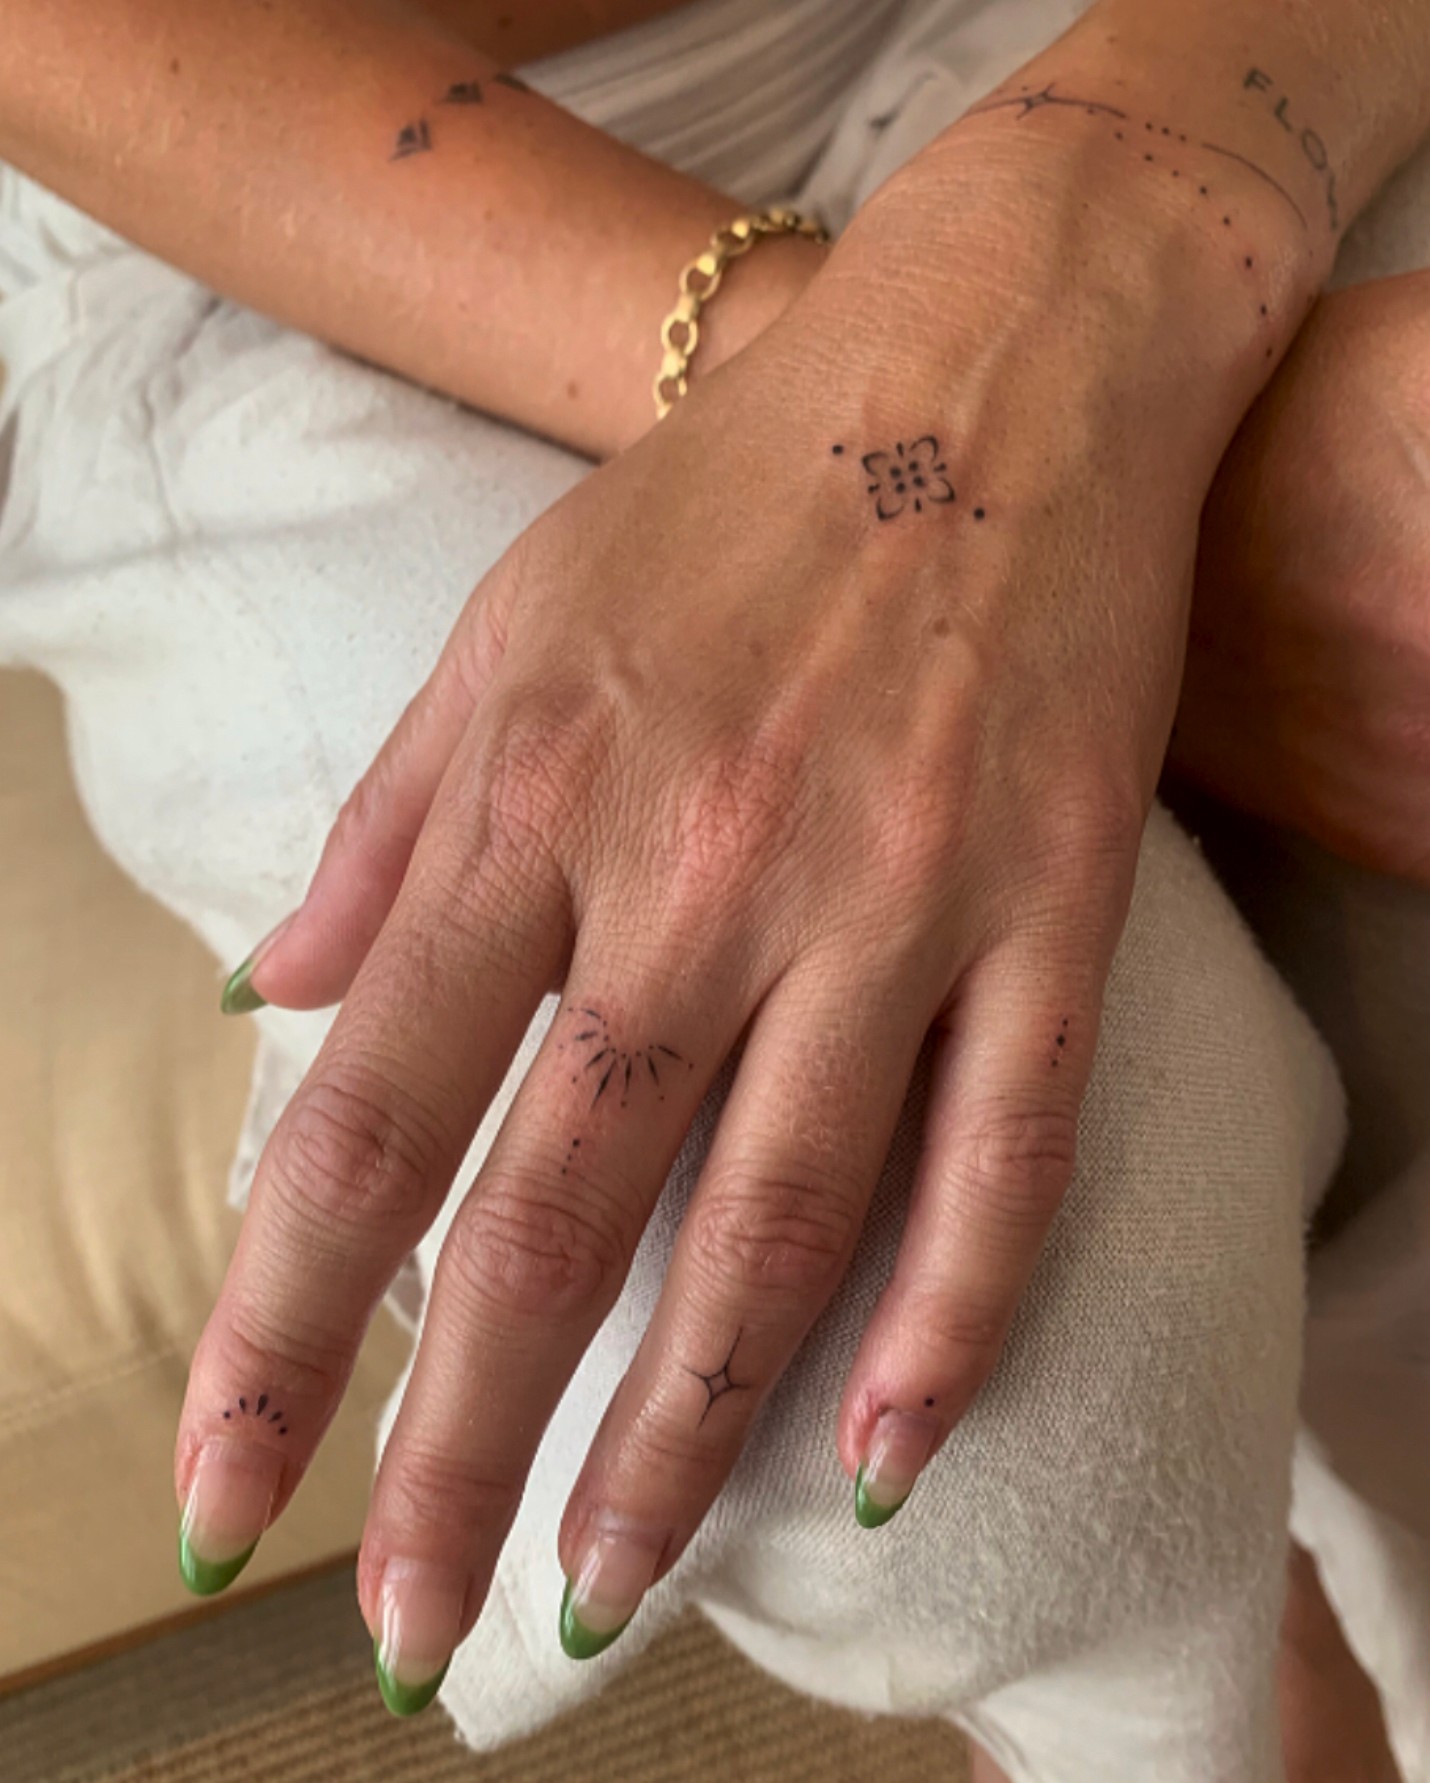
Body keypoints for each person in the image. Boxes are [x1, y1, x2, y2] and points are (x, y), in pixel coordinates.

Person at [1, 0, 1427, 1774]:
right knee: (968, 1366)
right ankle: (1231, 1686)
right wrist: (968, 424)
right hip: (262, 208)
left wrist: (1096, 246)